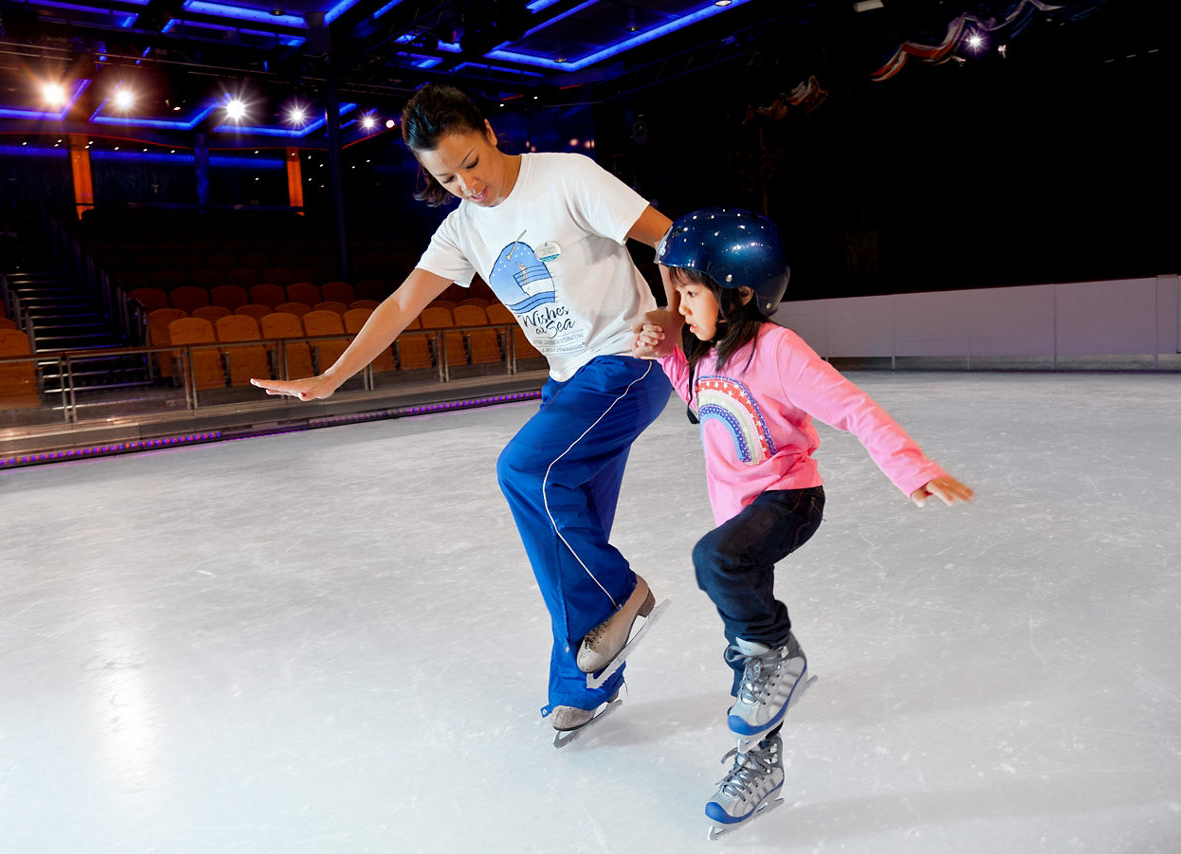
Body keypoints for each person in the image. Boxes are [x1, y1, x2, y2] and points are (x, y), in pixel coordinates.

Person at [251, 84, 679, 740]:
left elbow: (671, 239)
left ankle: (622, 595)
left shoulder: (566, 176)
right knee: (565, 538)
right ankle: (585, 682)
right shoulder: (462, 227)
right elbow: (400, 304)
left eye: (471, 162)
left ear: (488, 129)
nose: (467, 185)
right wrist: (335, 375)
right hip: (569, 382)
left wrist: (674, 314)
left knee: (525, 472)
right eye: (445, 177)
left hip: (625, 365)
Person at [633, 208, 974, 837]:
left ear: (739, 293)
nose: (677, 303)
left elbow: (852, 407)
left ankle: (781, 653)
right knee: (747, 663)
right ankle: (758, 767)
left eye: (689, 289)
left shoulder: (777, 350)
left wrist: (911, 467)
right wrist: (667, 358)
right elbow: (699, 402)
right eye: (675, 289)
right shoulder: (707, 355)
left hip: (789, 499)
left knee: (718, 566)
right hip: (739, 519)